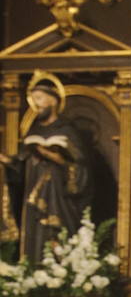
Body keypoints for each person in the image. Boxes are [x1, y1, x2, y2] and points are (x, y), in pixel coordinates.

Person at [0, 71, 93, 263]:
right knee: (34, 238)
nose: (36, 105)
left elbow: (81, 170)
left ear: (53, 100)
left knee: (57, 236)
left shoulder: (67, 131)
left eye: (39, 98)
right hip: (33, 196)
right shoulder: (33, 132)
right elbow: (20, 169)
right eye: (33, 100)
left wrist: (55, 158)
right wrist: (7, 161)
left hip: (59, 198)